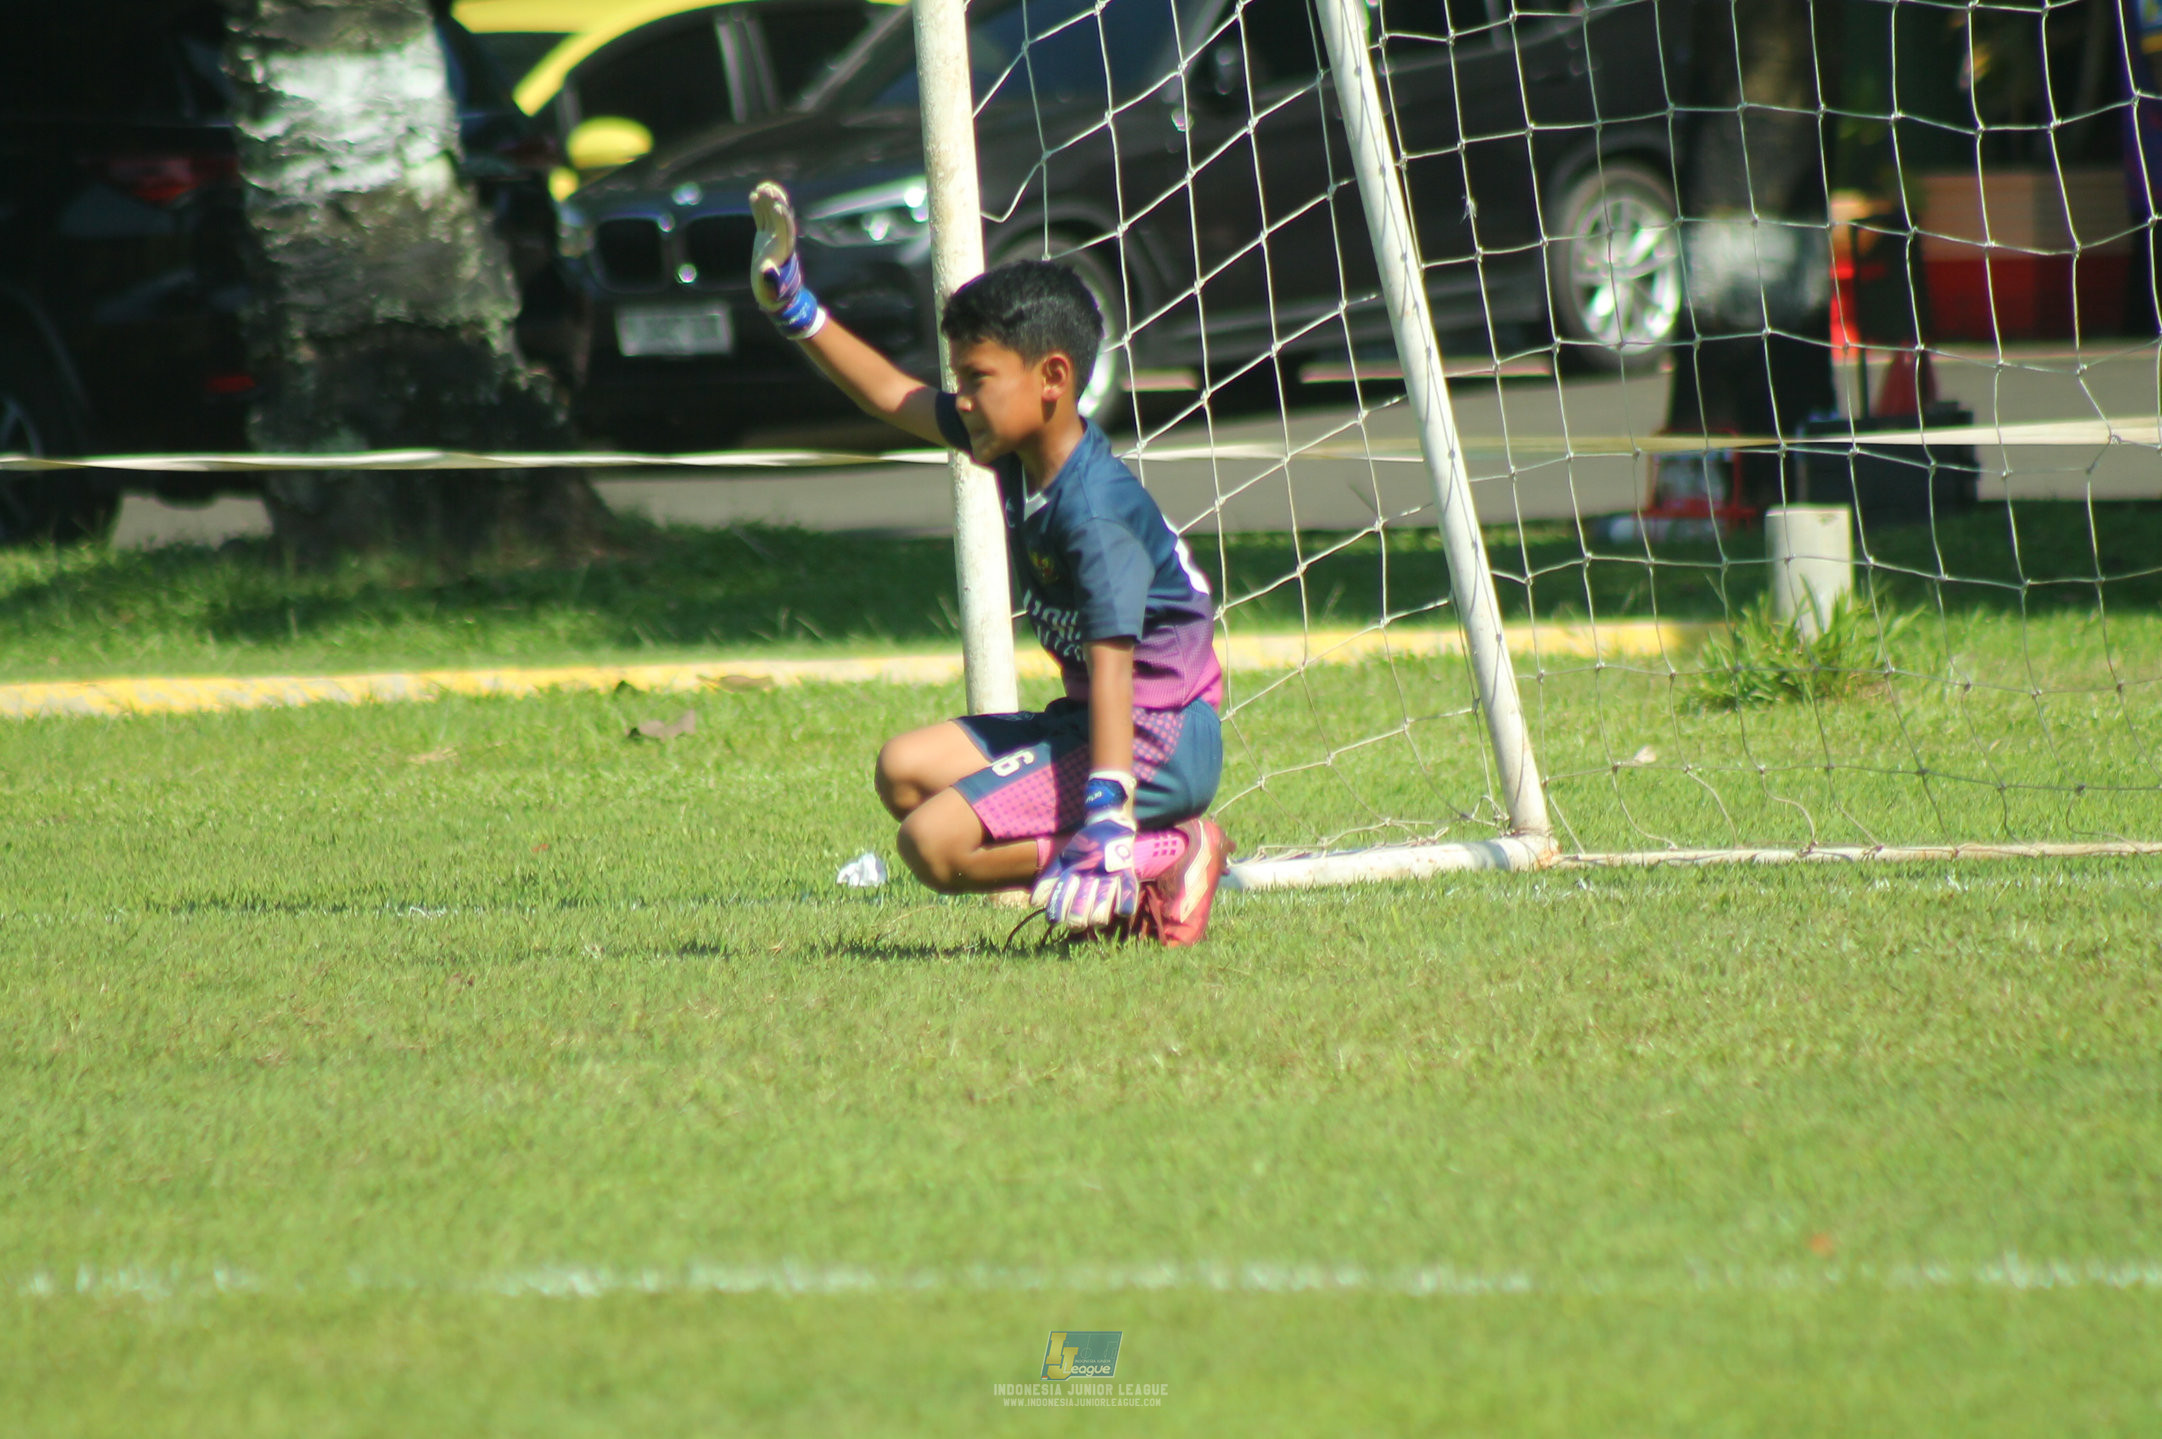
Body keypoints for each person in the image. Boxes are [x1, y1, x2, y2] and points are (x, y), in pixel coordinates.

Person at [747, 181, 1230, 944]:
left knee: (933, 846)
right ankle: (1129, 846)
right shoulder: (1020, 449)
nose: (961, 399)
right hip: (1097, 723)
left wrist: (1108, 811)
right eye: (960, 379)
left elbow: (1113, 667)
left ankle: (1165, 854)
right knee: (903, 767)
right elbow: (892, 395)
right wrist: (794, 308)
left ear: (1053, 379)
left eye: (978, 379)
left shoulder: (1095, 513)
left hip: (1157, 740)